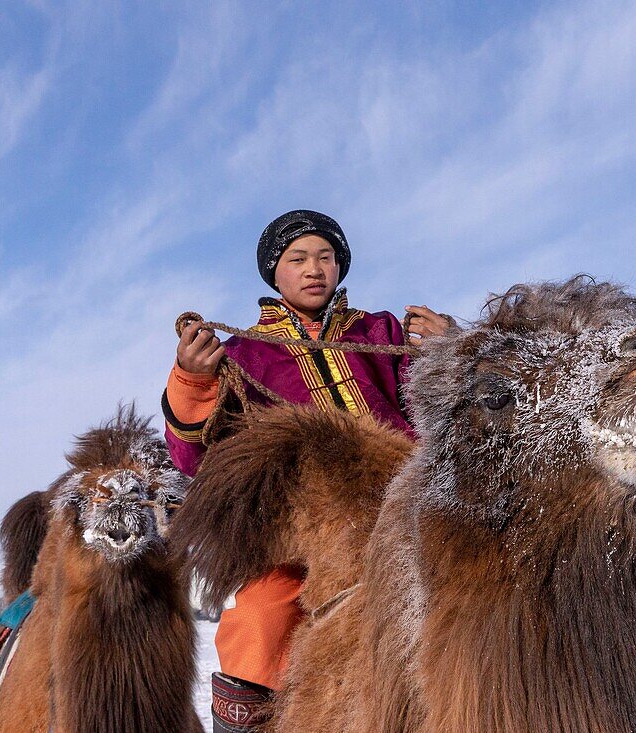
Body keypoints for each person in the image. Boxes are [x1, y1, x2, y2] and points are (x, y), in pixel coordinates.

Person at [161, 210, 450, 732]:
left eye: (325, 257)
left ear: (340, 267)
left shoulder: (381, 332)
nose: (314, 268)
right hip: (299, 529)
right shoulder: (243, 355)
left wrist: (451, 350)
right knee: (261, 621)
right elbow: (196, 460)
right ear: (274, 273)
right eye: (297, 259)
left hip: (403, 504)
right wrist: (192, 380)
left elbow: (443, 411)